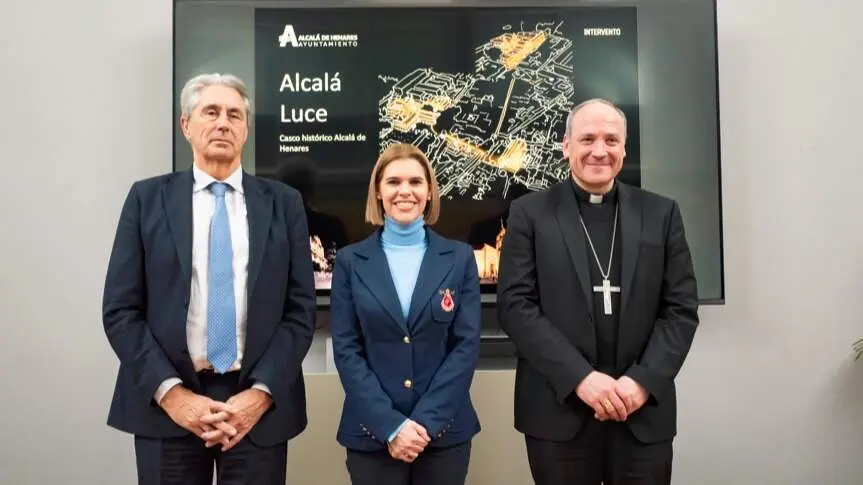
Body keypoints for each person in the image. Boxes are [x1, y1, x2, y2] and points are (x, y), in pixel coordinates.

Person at [102, 73, 316, 485]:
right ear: (186, 125)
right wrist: (173, 395)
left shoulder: (284, 204)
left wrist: (259, 396)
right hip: (169, 406)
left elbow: (300, 311)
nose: (223, 123)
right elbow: (121, 311)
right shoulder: (147, 199)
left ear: (246, 129)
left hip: (257, 408)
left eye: (235, 114)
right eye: (211, 112)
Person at [497, 98, 699, 485]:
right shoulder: (529, 213)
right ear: (566, 145)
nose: (599, 151)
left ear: (625, 147)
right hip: (559, 412)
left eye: (611, 140)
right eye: (587, 138)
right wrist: (582, 380)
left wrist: (641, 383)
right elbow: (516, 306)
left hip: (641, 411)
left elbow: (680, 310)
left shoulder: (662, 213)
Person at [330, 142, 482, 485]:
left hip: (444, 433)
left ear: (429, 192)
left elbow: (466, 346)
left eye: (415, 182)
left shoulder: (458, 258)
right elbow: (347, 349)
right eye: (394, 182)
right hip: (373, 433)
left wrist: (425, 423)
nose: (405, 191)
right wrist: (391, 426)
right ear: (379, 192)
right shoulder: (351, 262)